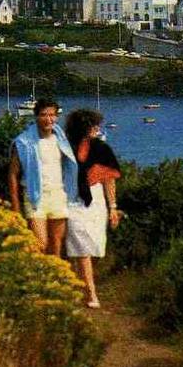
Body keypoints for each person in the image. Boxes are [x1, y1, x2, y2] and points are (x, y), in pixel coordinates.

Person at [64, 108, 122, 309]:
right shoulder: (66, 147)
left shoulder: (102, 149)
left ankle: (79, 283)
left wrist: (113, 207)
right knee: (81, 247)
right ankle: (91, 293)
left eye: (97, 124)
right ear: (83, 127)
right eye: (92, 125)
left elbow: (109, 180)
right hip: (72, 200)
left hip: (96, 199)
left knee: (95, 246)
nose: (97, 128)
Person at [8, 98, 79, 257]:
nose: (48, 119)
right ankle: (36, 278)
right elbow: (13, 174)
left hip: (58, 195)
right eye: (43, 115)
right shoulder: (23, 142)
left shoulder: (61, 140)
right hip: (34, 198)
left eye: (52, 115)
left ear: (57, 116)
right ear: (36, 116)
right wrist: (15, 206)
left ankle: (54, 280)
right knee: (40, 244)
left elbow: (71, 167)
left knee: (56, 244)